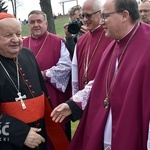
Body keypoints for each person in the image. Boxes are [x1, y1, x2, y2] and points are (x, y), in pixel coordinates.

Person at [51, 0, 150, 149]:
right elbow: (101, 82)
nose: (102, 22)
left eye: (105, 16)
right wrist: (74, 103)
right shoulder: (113, 45)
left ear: (124, 15)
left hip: (134, 131)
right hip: (108, 130)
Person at [0, 12, 69, 150]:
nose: (16, 40)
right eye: (8, 35)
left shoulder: (27, 54)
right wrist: (20, 134)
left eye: (19, 34)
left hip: (39, 135)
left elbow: (43, 97)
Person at [23, 10, 72, 141]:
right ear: (28, 25)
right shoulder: (22, 44)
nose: (36, 25)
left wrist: (43, 75)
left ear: (45, 23)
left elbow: (66, 66)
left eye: (39, 21)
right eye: (32, 22)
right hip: (30, 99)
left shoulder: (58, 41)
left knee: (57, 136)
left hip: (53, 96)